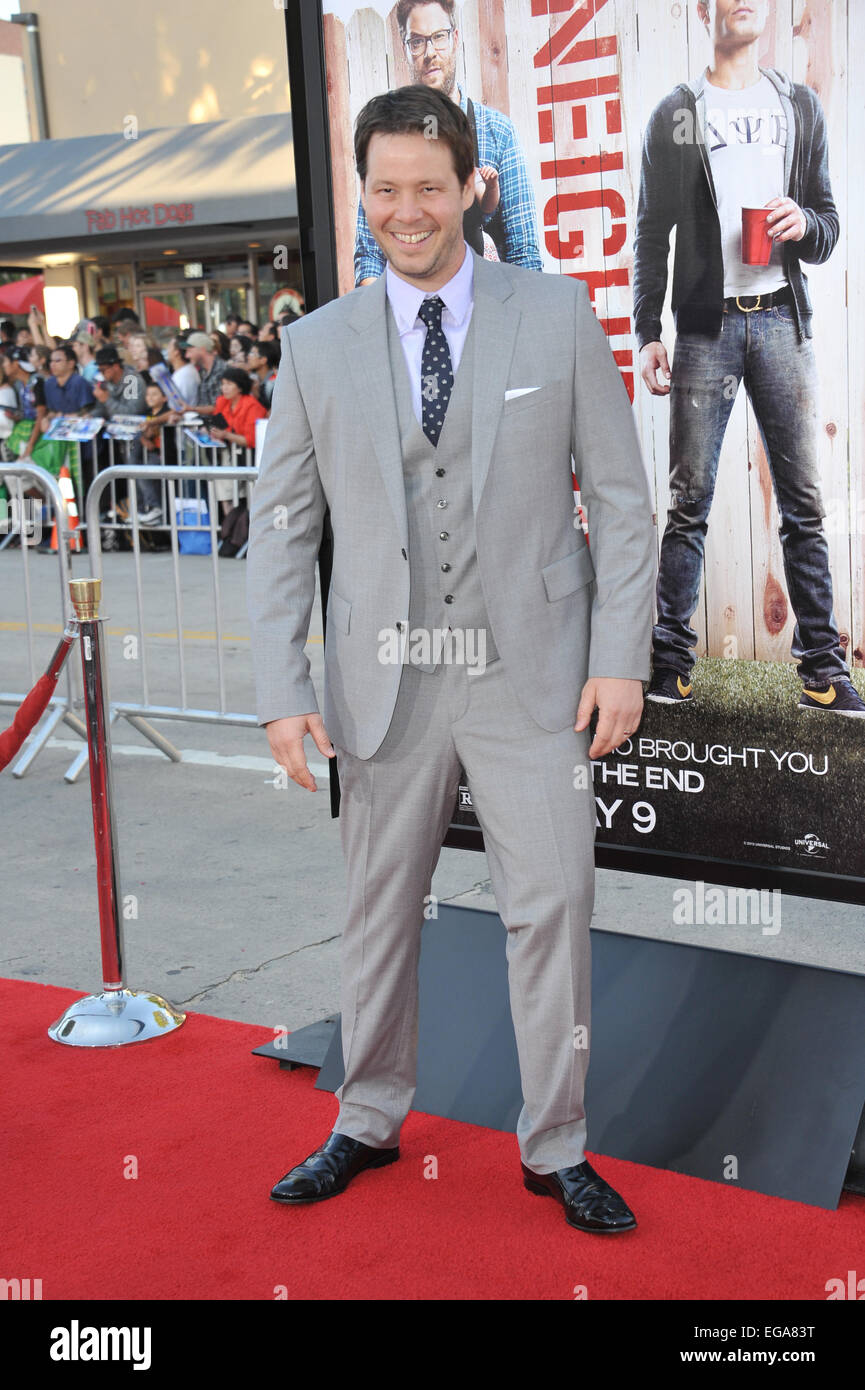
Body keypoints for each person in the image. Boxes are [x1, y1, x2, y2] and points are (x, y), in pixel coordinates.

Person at [247, 87, 656, 1233]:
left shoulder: (558, 314)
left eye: (428, 187)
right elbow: (281, 530)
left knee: (553, 906)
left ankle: (557, 1143)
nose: (406, 210)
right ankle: (366, 1118)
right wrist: (281, 687)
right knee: (378, 907)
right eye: (384, 189)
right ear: (363, 193)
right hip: (384, 676)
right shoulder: (315, 345)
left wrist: (619, 658)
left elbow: (622, 506)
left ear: (472, 186)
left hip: (531, 672)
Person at [635, 0, 863, 716]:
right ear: (703, 9)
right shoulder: (678, 112)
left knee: (802, 506)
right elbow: (650, 233)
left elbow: (826, 225)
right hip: (705, 330)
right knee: (688, 502)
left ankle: (822, 671)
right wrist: (647, 329)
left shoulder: (797, 105)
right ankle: (669, 665)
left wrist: (804, 224)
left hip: (780, 325)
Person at [354, 0, 542, 284]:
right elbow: (369, 258)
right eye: (417, 41)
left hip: (487, 307)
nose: (430, 53)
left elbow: (524, 252)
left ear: (454, 39)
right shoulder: (386, 137)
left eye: (438, 37)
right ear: (404, 49)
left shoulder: (497, 132)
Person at [208, 365, 267, 517]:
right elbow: (217, 423)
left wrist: (226, 435)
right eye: (223, 384)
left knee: (251, 497)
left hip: (249, 457)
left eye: (229, 384)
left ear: (240, 387)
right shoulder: (222, 402)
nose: (224, 388)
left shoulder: (252, 406)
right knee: (224, 493)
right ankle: (231, 529)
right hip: (229, 455)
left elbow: (251, 440)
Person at [43, 344, 94, 415]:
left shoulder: (79, 382)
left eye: (57, 361)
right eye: (51, 361)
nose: (52, 364)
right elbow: (52, 410)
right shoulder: (49, 383)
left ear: (71, 363)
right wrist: (47, 419)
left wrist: (66, 417)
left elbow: (88, 411)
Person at [247, 339, 280, 408]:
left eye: (252, 353)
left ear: (263, 360)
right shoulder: (253, 378)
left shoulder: (275, 382)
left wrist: (258, 395)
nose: (248, 357)